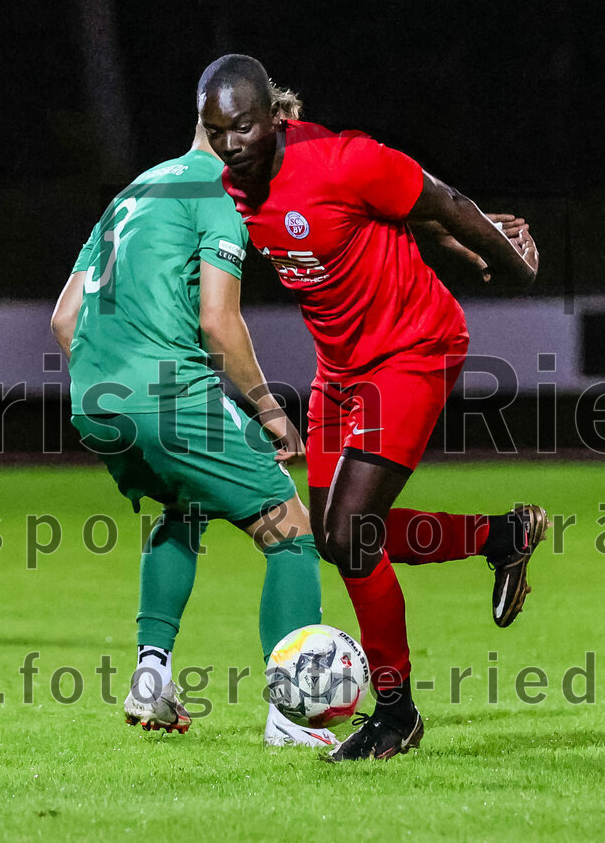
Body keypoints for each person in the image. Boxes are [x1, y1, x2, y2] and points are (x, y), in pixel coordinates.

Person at [197, 54, 549, 761]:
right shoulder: (231, 186)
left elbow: (437, 198)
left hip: (413, 347)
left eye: (242, 128)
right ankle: (501, 536)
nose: (231, 144)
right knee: (336, 538)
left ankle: (396, 712)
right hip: (341, 368)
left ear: (274, 118)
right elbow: (371, 222)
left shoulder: (340, 158)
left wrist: (505, 260)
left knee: (353, 531)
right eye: (216, 131)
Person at [50, 108, 338, 748]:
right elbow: (218, 320)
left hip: (94, 398)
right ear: (234, 129)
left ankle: (152, 675)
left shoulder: (136, 190)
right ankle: (290, 716)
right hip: (167, 395)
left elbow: (65, 318)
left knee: (184, 507)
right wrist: (267, 407)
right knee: (291, 532)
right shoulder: (217, 194)